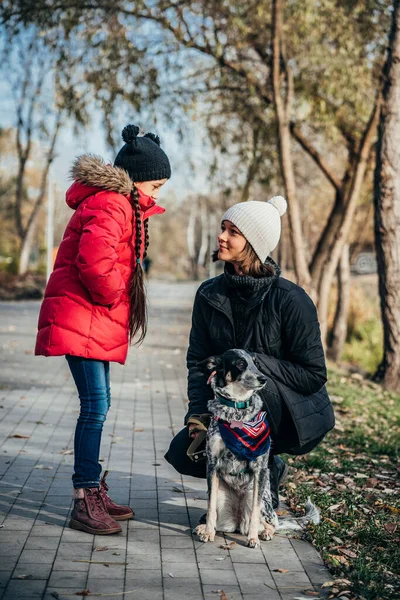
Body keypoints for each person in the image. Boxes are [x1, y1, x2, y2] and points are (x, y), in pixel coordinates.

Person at [35, 124, 171, 535]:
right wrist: (115, 295)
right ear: (138, 179)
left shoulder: (117, 204)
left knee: (100, 403)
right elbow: (95, 263)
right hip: (84, 317)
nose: (157, 195)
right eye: (156, 185)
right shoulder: (112, 204)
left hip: (90, 320)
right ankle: (84, 497)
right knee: (94, 407)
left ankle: (93, 485)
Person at [165, 196, 334, 513]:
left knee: (252, 382)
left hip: (288, 416)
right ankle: (252, 476)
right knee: (181, 454)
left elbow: (314, 375)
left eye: (233, 232)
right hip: (232, 415)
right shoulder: (208, 293)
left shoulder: (291, 300)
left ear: (254, 243)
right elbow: (199, 362)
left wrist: (254, 362)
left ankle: (265, 470)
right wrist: (199, 415)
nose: (222, 236)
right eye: (223, 228)